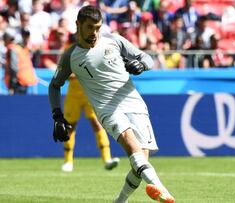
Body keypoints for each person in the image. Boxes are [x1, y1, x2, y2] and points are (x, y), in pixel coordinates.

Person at [48, 5, 175, 203]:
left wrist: (141, 65)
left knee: (141, 159)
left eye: (98, 27)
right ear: (78, 25)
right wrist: (57, 116)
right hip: (107, 108)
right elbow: (54, 86)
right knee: (131, 144)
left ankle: (120, 201)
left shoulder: (113, 40)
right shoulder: (70, 56)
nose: (95, 33)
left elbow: (147, 58)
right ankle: (162, 191)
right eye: (90, 27)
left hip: (134, 102)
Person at [61, 74, 120, 172]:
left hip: (90, 92)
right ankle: (68, 161)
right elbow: (62, 73)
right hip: (74, 94)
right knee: (70, 126)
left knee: (97, 123)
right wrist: (71, 75)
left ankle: (107, 159)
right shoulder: (68, 57)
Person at [4, 28, 38, 95]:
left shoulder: (13, 49)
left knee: (16, 104)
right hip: (25, 80)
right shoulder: (21, 49)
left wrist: (12, 85)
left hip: (18, 82)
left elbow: (14, 67)